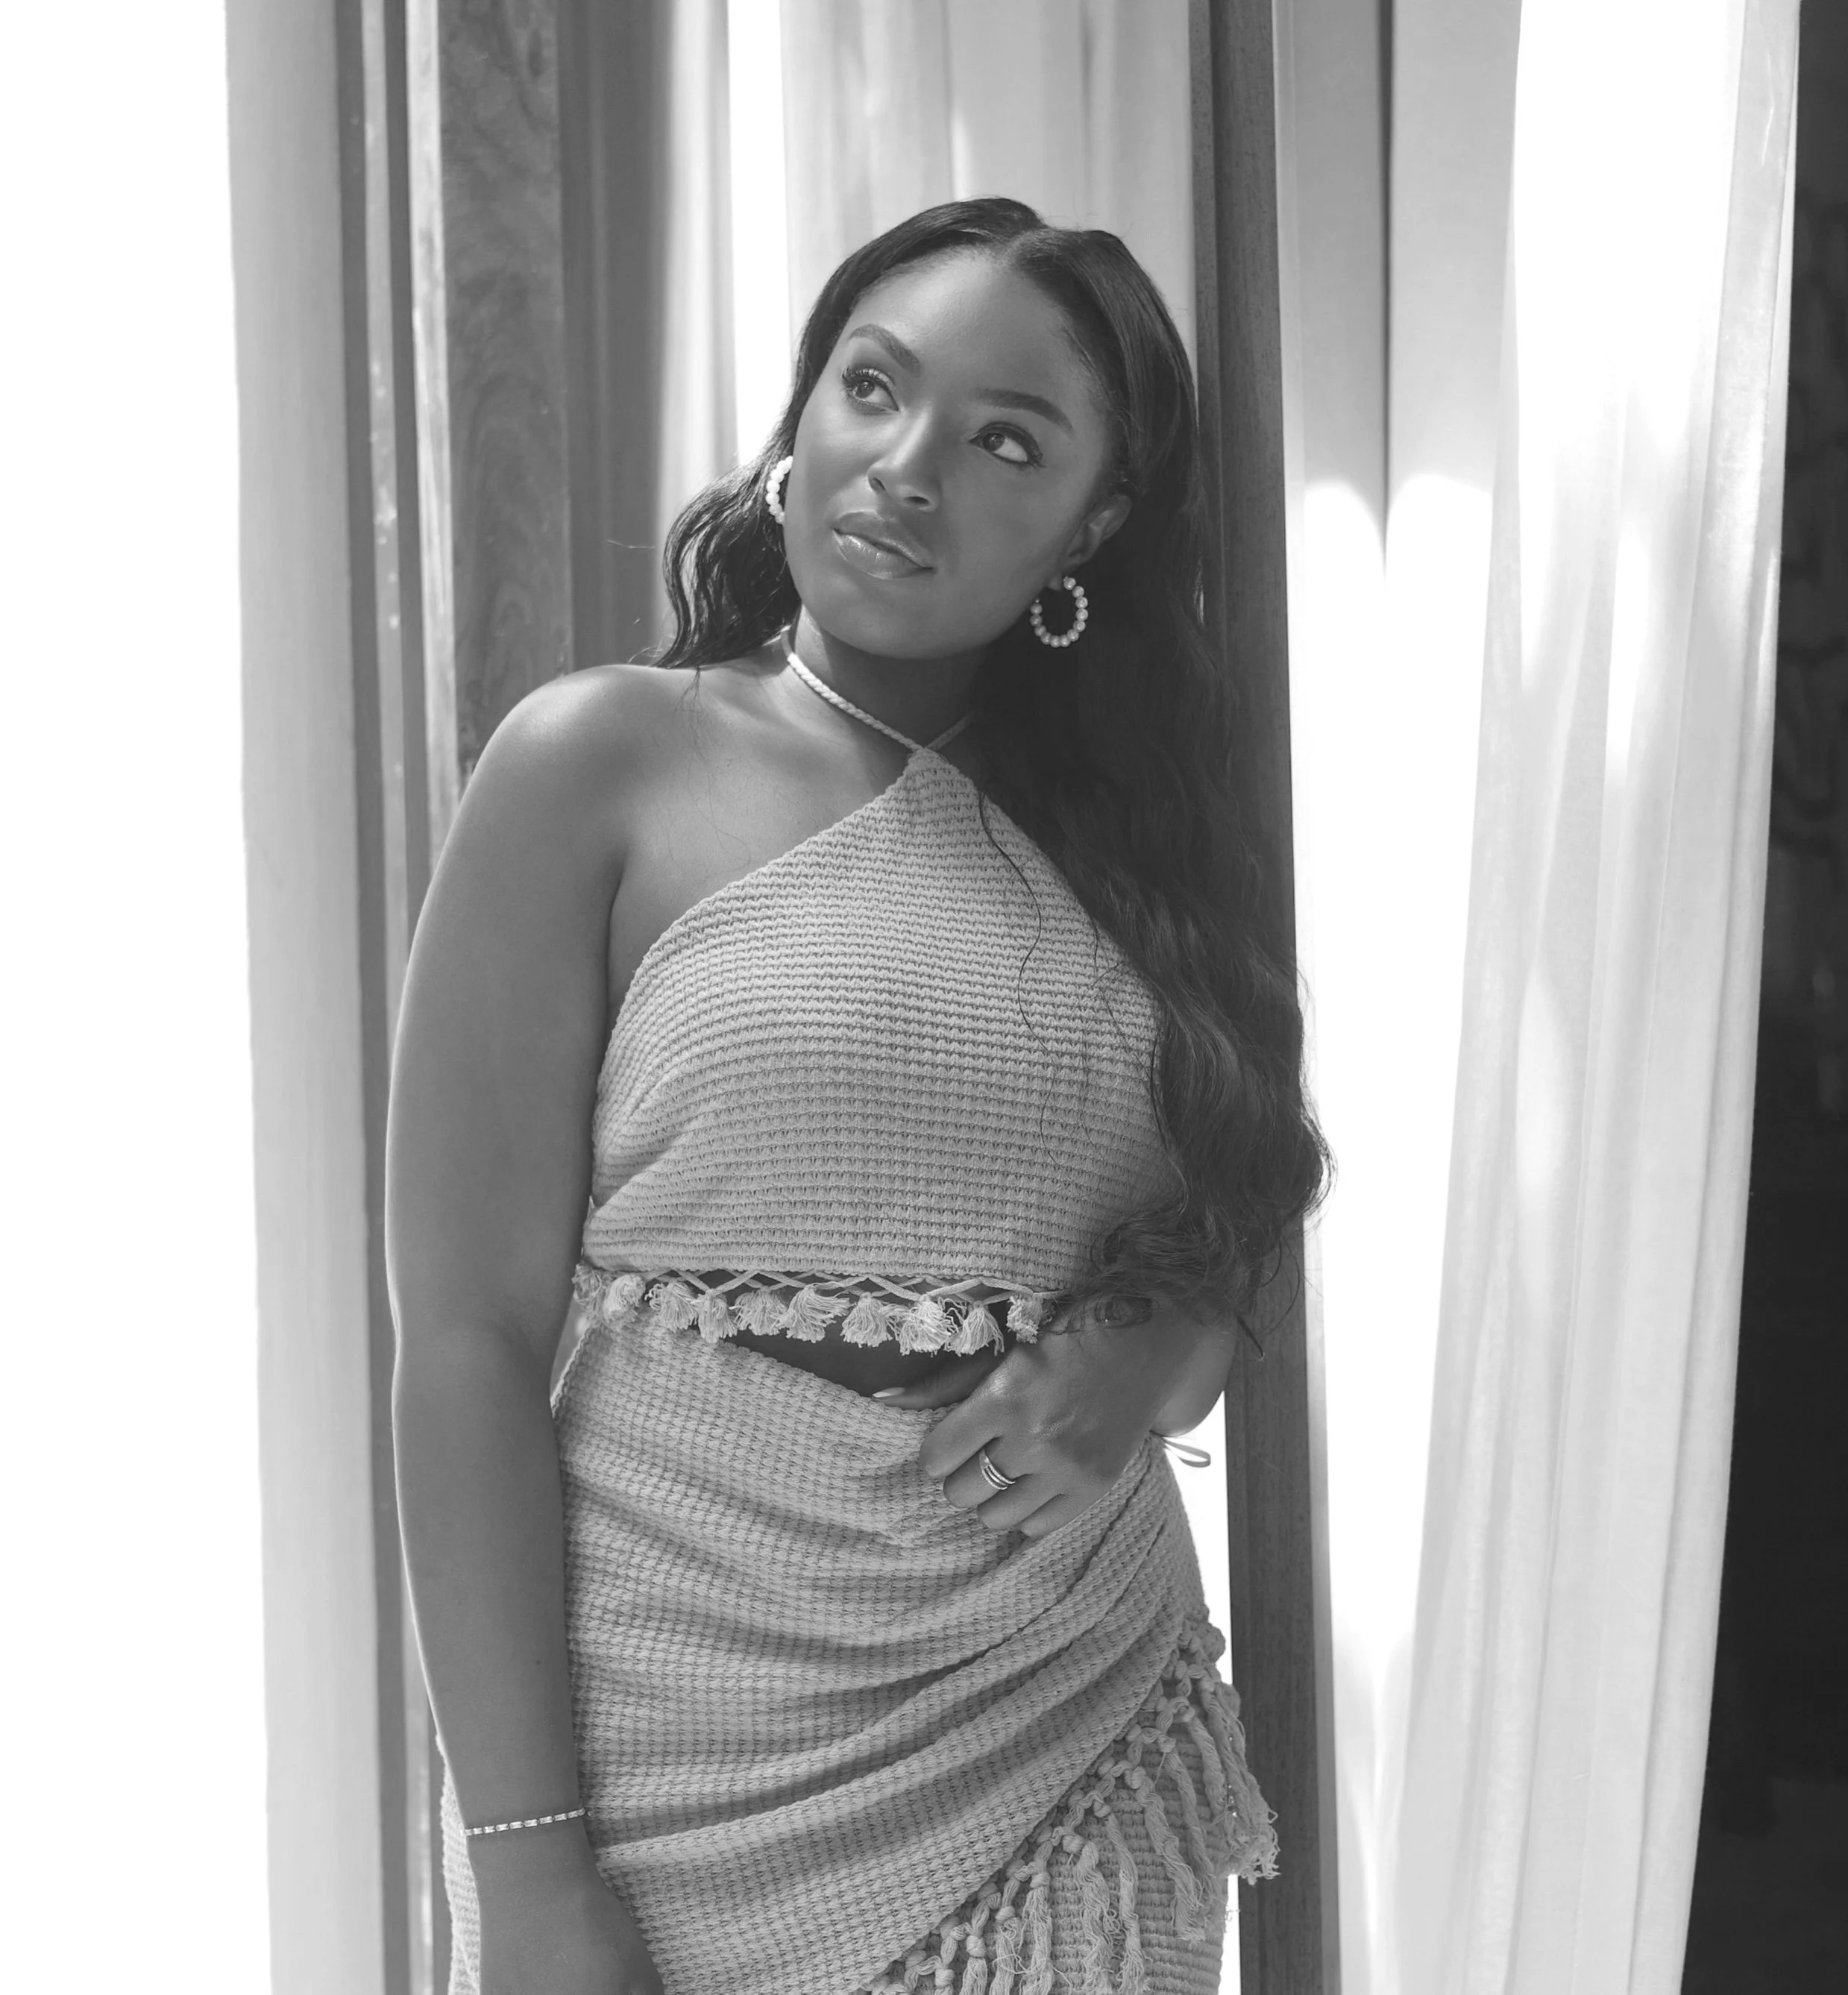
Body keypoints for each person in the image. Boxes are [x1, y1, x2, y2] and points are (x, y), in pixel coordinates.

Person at [388, 195, 1328, 1995]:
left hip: (1055, 1728)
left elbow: (1233, 1201)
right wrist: (528, 1878)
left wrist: (1155, 1354)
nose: (906, 467)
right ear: (801, 413)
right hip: (667, 1755)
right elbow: (464, 1341)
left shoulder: (1150, 834)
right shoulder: (600, 759)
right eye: (870, 387)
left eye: (1004, 440)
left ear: (1093, 521)